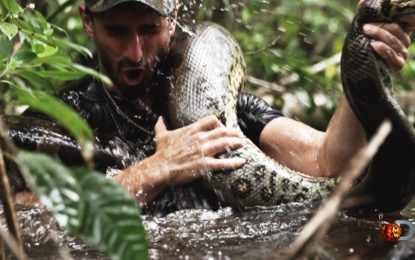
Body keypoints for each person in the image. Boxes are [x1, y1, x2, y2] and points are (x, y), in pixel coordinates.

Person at [15, 0, 415, 211]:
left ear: (171, 19)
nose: (135, 52)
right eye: (117, 32)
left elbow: (330, 164)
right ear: (88, 21)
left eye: (149, 29)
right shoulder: (63, 116)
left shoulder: (227, 108)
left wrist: (363, 59)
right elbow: (19, 213)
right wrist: (153, 171)